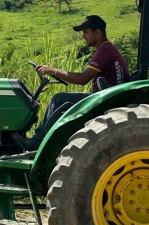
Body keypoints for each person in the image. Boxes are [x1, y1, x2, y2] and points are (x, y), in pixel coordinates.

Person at [18, 15, 129, 150]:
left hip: (106, 99)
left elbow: (82, 79)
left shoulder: (105, 51)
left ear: (98, 33)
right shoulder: (107, 49)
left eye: (86, 32)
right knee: (61, 100)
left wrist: (54, 71)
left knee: (58, 99)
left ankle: (37, 142)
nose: (83, 36)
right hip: (107, 96)